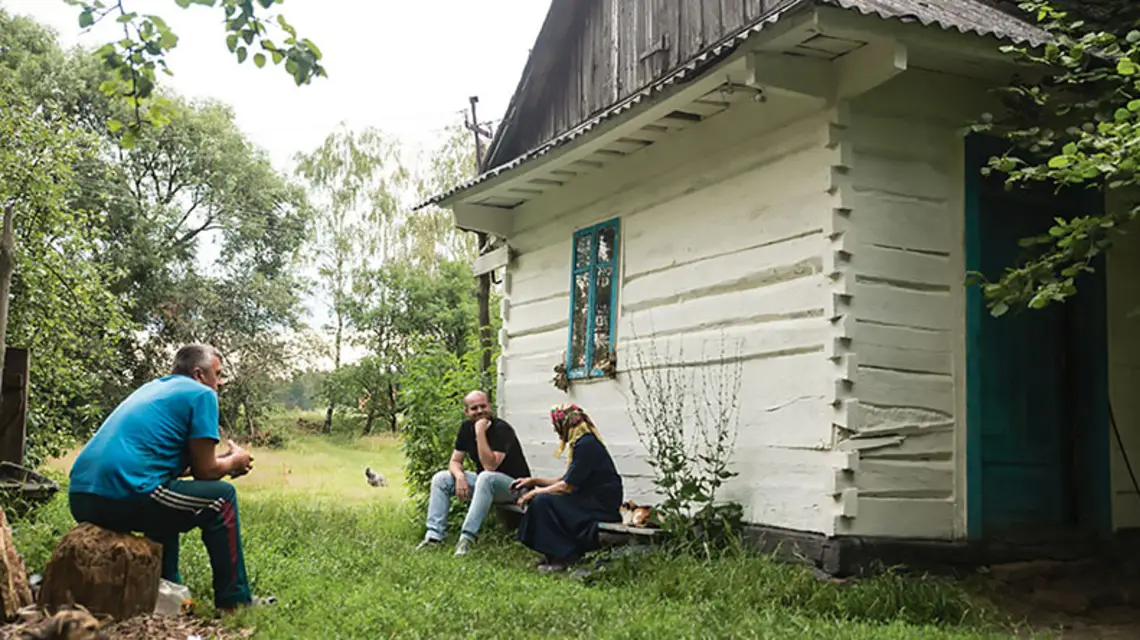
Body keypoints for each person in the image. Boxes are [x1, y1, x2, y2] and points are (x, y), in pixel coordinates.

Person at [68, 344, 266, 615]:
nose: (220, 383)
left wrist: (217, 463)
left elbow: (186, 466)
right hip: (126, 491)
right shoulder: (202, 394)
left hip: (81, 496)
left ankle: (171, 595)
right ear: (199, 374)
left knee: (170, 502)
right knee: (221, 498)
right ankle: (234, 600)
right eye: (217, 375)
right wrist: (234, 462)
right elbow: (206, 472)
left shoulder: (152, 389)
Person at [512, 403, 623, 573]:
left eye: (555, 426)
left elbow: (566, 487)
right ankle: (553, 553)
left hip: (599, 506)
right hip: (587, 500)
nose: (556, 430)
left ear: (563, 424)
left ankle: (562, 557)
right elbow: (564, 480)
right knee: (545, 500)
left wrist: (535, 491)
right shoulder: (582, 442)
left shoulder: (586, 445)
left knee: (542, 501)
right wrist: (532, 481)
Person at [418, 390, 532, 556]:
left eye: (483, 406)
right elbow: (455, 461)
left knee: (485, 477)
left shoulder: (502, 429)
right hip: (485, 484)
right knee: (441, 478)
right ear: (466, 412)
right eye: (474, 408)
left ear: (490, 406)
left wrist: (480, 433)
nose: (479, 411)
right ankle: (434, 537)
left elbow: (490, 466)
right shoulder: (466, 428)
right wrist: (460, 476)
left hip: (515, 487)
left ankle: (466, 539)